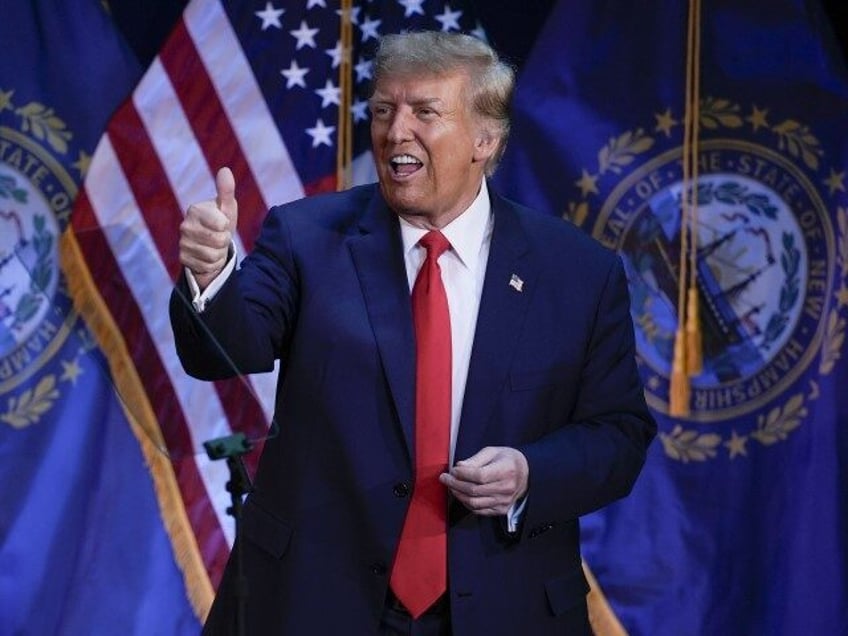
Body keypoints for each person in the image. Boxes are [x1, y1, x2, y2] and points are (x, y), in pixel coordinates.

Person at [170, 30, 655, 636]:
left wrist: (532, 472)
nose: (396, 131)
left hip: (504, 605)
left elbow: (620, 434)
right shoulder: (307, 237)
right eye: (382, 111)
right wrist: (212, 273)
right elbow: (228, 348)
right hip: (316, 602)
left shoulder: (577, 274)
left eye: (425, 112)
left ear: (486, 139)